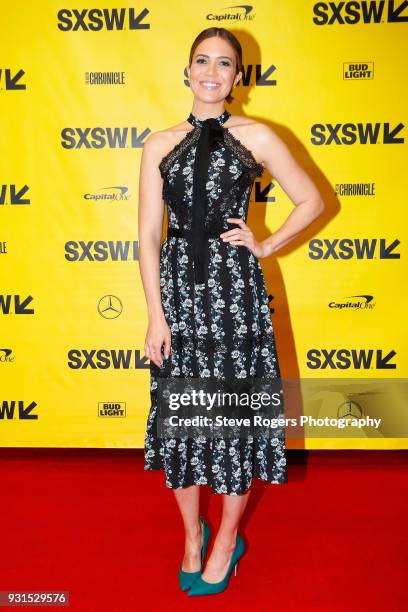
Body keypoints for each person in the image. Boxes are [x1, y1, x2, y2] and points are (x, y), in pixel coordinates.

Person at [138, 27, 323, 596]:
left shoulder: (258, 136)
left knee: (235, 421)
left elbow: (312, 200)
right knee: (184, 421)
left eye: (224, 63)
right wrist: (155, 315)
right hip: (179, 300)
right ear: (187, 69)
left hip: (236, 299)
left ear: (239, 77)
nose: (212, 72)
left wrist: (265, 246)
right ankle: (192, 535)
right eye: (202, 61)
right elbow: (148, 234)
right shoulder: (159, 143)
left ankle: (226, 540)